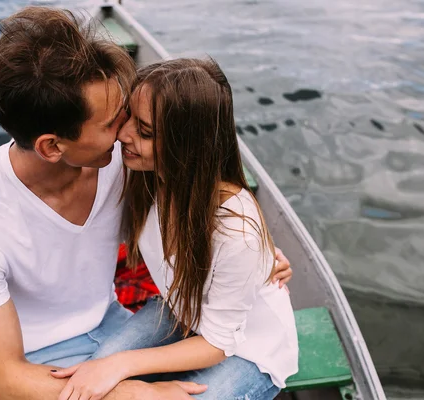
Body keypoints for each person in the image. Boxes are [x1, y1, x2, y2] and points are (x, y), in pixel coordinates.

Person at [0, 7, 293, 400]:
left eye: (129, 117)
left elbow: (212, 202)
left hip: (122, 324)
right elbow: (6, 378)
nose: (124, 133)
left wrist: (259, 254)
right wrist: (135, 395)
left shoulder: (126, 161)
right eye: (112, 124)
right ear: (52, 146)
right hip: (41, 360)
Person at [49, 58, 299, 400]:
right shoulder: (142, 177)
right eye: (129, 120)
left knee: (111, 369)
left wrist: (121, 366)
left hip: (247, 348)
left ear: (188, 145)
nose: (123, 135)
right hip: (182, 308)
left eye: (145, 131)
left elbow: (218, 342)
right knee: (92, 377)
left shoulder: (235, 231)